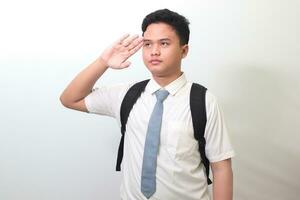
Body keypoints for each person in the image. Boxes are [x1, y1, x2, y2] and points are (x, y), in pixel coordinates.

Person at [60, 8, 235, 200]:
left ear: (184, 50)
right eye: (148, 44)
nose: (155, 51)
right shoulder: (126, 95)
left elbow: (221, 168)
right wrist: (103, 62)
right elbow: (70, 99)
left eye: (164, 43)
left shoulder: (203, 100)